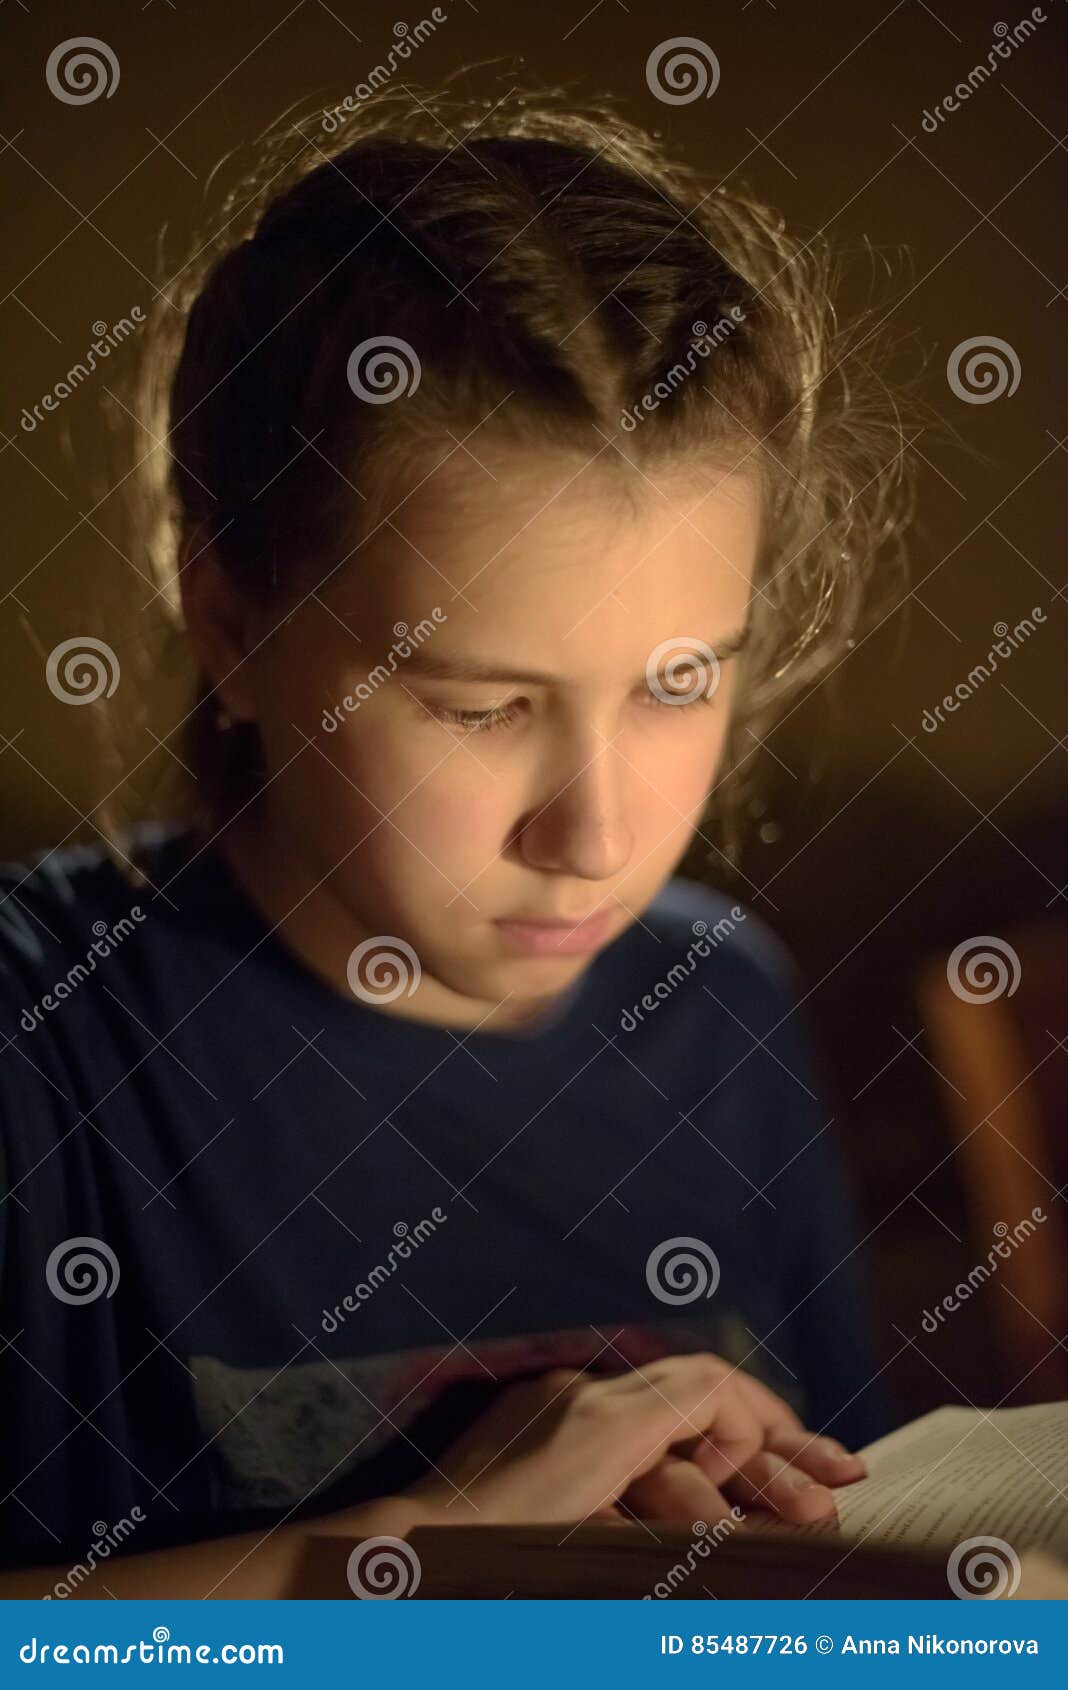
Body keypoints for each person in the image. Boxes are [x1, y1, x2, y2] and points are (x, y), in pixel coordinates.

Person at [0, 86, 910, 1598]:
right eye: (482, 705)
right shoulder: (46, 1044)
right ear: (232, 626)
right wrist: (420, 1551)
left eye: (681, 683)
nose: (596, 837)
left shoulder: (721, 1006)